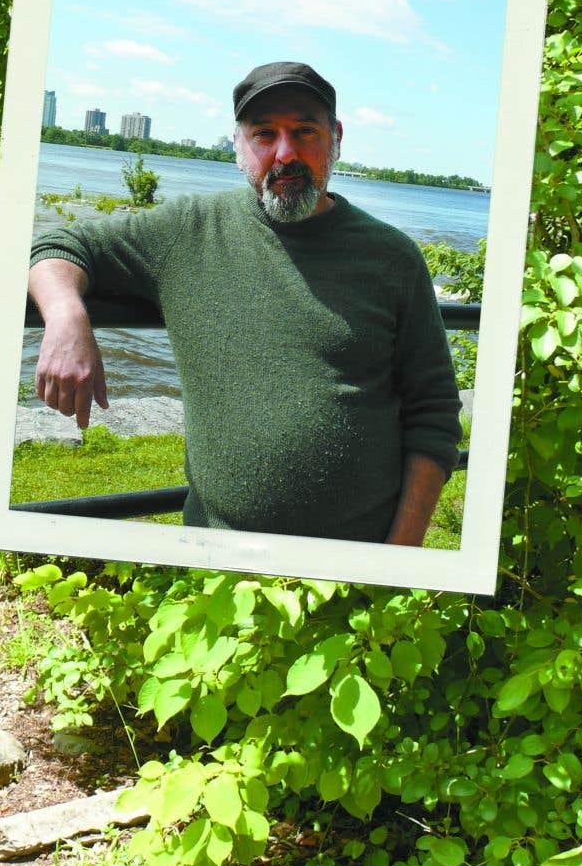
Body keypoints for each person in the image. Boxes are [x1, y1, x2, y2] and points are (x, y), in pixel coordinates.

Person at [27, 61, 462, 545]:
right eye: (263, 134)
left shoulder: (392, 257)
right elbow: (57, 248)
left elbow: (435, 413)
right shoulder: (187, 230)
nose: (285, 153)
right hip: (214, 555)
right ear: (238, 144)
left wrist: (397, 558)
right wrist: (67, 317)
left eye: (304, 131)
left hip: (355, 564)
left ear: (335, 137)